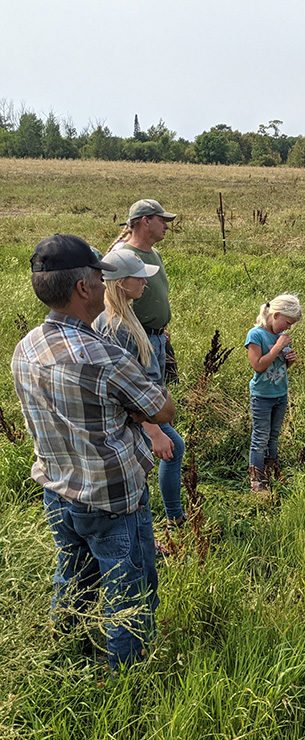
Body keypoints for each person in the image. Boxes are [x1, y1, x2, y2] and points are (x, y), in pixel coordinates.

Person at [11, 234, 174, 671]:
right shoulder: (103, 356)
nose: (106, 286)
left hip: (57, 489)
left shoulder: (25, 347)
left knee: (73, 575)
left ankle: (61, 651)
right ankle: (129, 679)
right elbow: (161, 407)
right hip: (112, 497)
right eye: (100, 278)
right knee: (128, 590)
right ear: (83, 288)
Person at [92, 250, 186, 530]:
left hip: (143, 408)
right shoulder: (117, 327)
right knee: (168, 449)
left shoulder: (122, 316)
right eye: (139, 278)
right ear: (120, 282)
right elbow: (127, 386)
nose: (145, 283)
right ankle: (171, 519)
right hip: (135, 412)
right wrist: (154, 431)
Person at [112, 199, 177, 383]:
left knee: (160, 392)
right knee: (146, 396)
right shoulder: (122, 257)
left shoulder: (156, 254)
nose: (166, 226)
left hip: (158, 338)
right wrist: (141, 336)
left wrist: (160, 329)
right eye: (161, 220)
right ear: (145, 221)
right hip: (137, 340)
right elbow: (113, 302)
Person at [245, 294, 302, 499]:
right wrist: (278, 347)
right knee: (260, 436)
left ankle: (271, 469)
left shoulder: (280, 336)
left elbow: (279, 366)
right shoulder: (256, 335)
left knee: (274, 435)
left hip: (280, 393)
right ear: (276, 315)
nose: (287, 328)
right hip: (262, 395)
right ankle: (256, 478)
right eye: (287, 323)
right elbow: (258, 366)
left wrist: (289, 360)